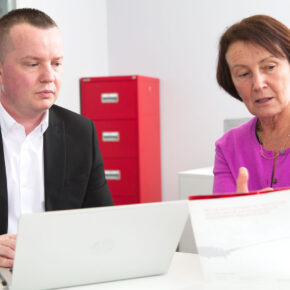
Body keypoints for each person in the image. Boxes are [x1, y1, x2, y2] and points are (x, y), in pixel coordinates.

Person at [0, 8, 113, 267]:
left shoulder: (81, 132)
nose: (49, 76)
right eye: (33, 64)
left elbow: (102, 221)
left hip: (59, 270)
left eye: (56, 63)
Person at [213, 15, 290, 194]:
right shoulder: (228, 147)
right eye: (243, 74)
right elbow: (222, 219)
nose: (258, 84)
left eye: (270, 67)